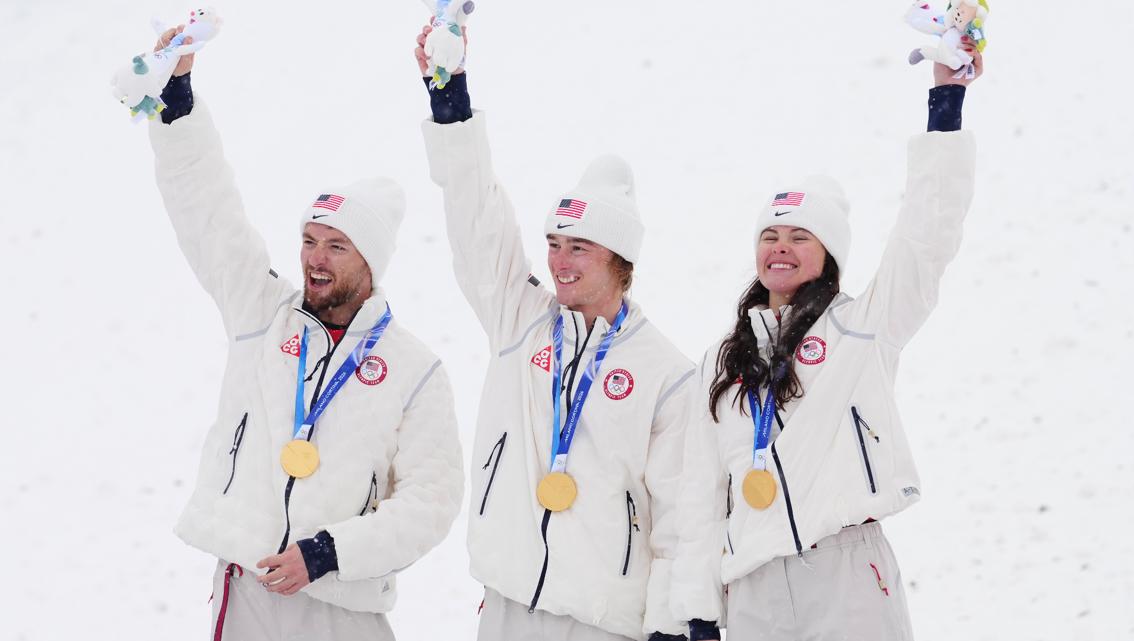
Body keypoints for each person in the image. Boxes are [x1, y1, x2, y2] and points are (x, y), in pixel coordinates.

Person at [146, 25, 464, 640]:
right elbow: (210, 214)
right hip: (247, 587)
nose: (315, 258)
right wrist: (177, 102)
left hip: (341, 603)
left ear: (371, 261)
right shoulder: (261, 314)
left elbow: (430, 502)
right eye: (310, 241)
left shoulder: (414, 370)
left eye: (337, 246)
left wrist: (327, 552)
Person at [671, 53, 985, 641]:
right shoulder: (723, 358)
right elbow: (700, 494)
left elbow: (927, 235)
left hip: (846, 574)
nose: (780, 248)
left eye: (799, 236)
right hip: (753, 585)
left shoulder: (864, 327)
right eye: (769, 235)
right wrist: (697, 607)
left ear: (828, 253)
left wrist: (945, 107)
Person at [414, 25, 713, 641]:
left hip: (603, 622)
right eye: (553, 244)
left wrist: (673, 622)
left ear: (620, 260)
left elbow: (681, 517)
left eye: (580, 247)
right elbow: (476, 219)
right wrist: (452, 106)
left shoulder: (668, 373)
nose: (560, 262)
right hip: (507, 606)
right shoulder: (520, 323)